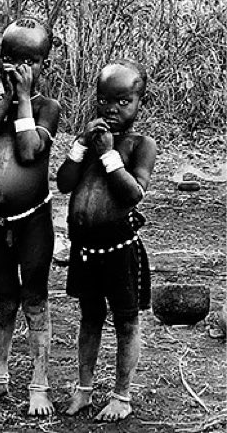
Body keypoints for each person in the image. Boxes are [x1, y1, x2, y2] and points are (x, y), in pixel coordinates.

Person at [0, 18, 60, 416]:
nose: (16, 67)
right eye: (8, 58)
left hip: (32, 220)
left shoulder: (46, 108)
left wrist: (21, 99)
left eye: (28, 61)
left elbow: (29, 151)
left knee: (34, 297)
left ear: (43, 66)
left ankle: (40, 383)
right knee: (4, 298)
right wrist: (5, 99)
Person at [56, 59, 157, 422]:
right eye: (104, 100)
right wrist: (81, 145)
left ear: (139, 102)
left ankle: (121, 395)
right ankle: (83, 389)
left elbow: (133, 194)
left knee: (127, 320)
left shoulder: (140, 145)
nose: (112, 110)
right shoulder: (91, 140)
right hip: (86, 250)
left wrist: (109, 154)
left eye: (123, 101)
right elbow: (64, 183)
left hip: (119, 250)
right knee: (90, 317)